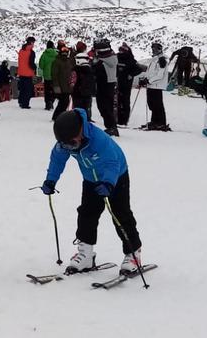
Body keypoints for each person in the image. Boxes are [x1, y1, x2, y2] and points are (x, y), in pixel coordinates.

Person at [41, 109, 144, 276]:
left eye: (72, 143)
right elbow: (58, 159)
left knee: (120, 215)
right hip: (90, 179)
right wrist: (50, 180)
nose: (69, 146)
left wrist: (109, 183)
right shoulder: (65, 141)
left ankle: (133, 254)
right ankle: (86, 253)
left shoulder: (99, 140)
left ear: (80, 131)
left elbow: (112, 163)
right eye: (65, 144)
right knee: (86, 213)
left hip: (116, 177)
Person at [138, 42, 170, 131]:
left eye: (155, 49)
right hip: (151, 85)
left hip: (157, 86)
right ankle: (154, 121)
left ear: (160, 50)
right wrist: (144, 79)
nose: (153, 50)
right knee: (151, 104)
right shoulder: (154, 59)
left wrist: (148, 81)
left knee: (157, 104)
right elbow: (150, 72)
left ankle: (161, 122)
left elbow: (160, 75)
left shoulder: (161, 60)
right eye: (153, 48)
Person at [91, 39, 119, 136]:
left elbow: (95, 73)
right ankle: (112, 126)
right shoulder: (111, 59)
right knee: (108, 106)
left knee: (104, 107)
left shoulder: (101, 62)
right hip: (110, 84)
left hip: (103, 85)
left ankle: (111, 127)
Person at [115, 44, 144, 127]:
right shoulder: (117, 58)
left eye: (122, 50)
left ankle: (124, 120)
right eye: (120, 50)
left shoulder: (131, 60)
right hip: (118, 82)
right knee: (118, 101)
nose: (120, 51)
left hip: (126, 84)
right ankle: (119, 119)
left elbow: (139, 69)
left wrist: (131, 74)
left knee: (125, 102)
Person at [50, 41, 74, 120]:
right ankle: (56, 116)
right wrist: (56, 86)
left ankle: (60, 116)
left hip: (67, 86)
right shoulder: (57, 62)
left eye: (66, 52)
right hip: (60, 86)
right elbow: (54, 75)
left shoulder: (68, 61)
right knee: (62, 103)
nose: (65, 53)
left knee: (65, 102)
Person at [72, 52, 95, 116]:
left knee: (78, 111)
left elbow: (72, 81)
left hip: (78, 94)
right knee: (86, 110)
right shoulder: (90, 69)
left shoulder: (76, 69)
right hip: (87, 94)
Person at [17, 37, 37, 109]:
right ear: (31, 42)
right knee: (28, 90)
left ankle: (21, 102)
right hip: (28, 73)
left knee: (22, 89)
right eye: (33, 42)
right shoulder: (31, 52)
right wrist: (34, 68)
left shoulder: (21, 50)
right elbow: (31, 63)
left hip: (21, 73)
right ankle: (25, 104)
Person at [38, 41, 58, 111]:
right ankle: (52, 101)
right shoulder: (56, 54)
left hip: (47, 76)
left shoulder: (44, 54)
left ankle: (47, 104)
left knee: (47, 91)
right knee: (54, 90)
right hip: (55, 76)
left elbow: (41, 65)